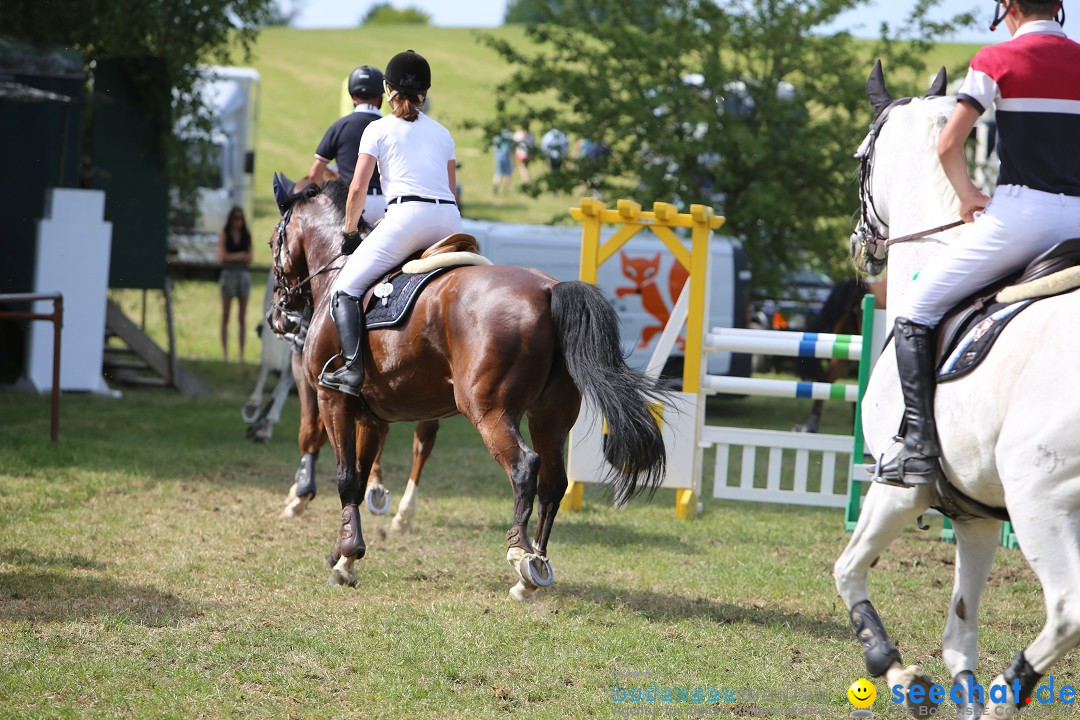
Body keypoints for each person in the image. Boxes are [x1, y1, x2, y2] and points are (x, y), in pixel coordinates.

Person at [877, 0, 1080, 486]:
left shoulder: (995, 61)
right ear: (1059, 8)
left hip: (1022, 218)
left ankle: (919, 448)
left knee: (915, 310)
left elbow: (949, 143)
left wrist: (968, 194)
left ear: (1008, 8)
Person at [320, 50, 461, 396]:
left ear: (387, 89)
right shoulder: (443, 134)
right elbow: (452, 189)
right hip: (452, 219)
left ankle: (353, 370)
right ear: (424, 94)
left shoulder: (377, 129)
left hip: (408, 218)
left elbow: (356, 188)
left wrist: (350, 231)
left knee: (344, 289)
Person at [308, 65, 387, 225]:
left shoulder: (339, 126)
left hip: (352, 204)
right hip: (387, 205)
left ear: (353, 96)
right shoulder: (390, 127)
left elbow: (315, 173)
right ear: (381, 97)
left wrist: (331, 198)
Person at [217, 206, 254, 362]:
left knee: (242, 317)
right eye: (235, 218)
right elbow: (222, 255)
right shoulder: (224, 234)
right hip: (228, 275)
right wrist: (239, 255)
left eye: (240, 218)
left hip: (243, 276)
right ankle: (225, 354)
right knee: (225, 316)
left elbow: (250, 257)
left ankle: (241, 354)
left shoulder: (246, 235)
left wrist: (233, 256)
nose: (238, 221)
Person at [492, 129, 513, 194]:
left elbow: (494, 148)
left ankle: (495, 186)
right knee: (507, 174)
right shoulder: (509, 136)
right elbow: (511, 148)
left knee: (498, 173)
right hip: (506, 157)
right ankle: (505, 190)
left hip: (498, 157)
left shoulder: (497, 136)